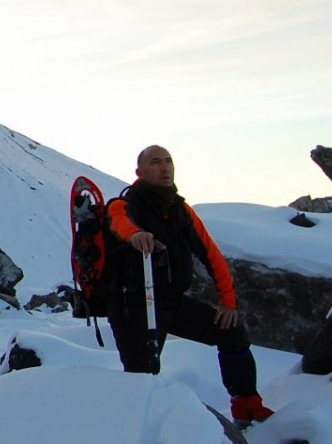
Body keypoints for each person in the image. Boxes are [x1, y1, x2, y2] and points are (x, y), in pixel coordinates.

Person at [105, 144, 275, 424]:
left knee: (232, 332)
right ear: (140, 171)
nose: (165, 167)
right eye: (156, 162)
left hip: (172, 301)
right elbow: (119, 223)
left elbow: (210, 254)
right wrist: (135, 235)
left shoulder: (180, 210)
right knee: (142, 374)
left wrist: (228, 300)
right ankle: (136, 431)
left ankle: (247, 406)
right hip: (134, 304)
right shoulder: (124, 205)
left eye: (168, 161)